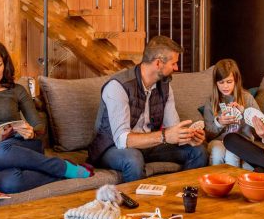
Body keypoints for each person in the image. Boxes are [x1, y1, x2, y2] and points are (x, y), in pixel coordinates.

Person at [0, 40, 93, 193]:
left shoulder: (17, 90)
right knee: (10, 183)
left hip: (18, 147)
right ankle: (60, 173)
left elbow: (39, 125)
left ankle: (61, 166)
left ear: (5, 64)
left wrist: (32, 131)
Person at [88, 35, 208, 182]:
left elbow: (173, 128)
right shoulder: (118, 86)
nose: (177, 68)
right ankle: (141, 205)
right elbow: (122, 140)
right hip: (111, 148)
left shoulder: (165, 86)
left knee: (198, 151)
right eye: (174, 63)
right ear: (158, 63)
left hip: (150, 144)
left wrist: (188, 137)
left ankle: (181, 197)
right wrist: (164, 136)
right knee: (133, 159)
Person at [203, 59, 259, 167]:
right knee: (217, 153)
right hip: (218, 141)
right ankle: (214, 182)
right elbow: (208, 134)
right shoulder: (211, 101)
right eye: (221, 82)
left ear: (236, 81)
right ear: (216, 83)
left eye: (229, 82)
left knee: (232, 154)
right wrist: (219, 123)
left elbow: (260, 126)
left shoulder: (247, 98)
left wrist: (244, 114)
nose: (225, 86)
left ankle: (231, 182)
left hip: (241, 142)